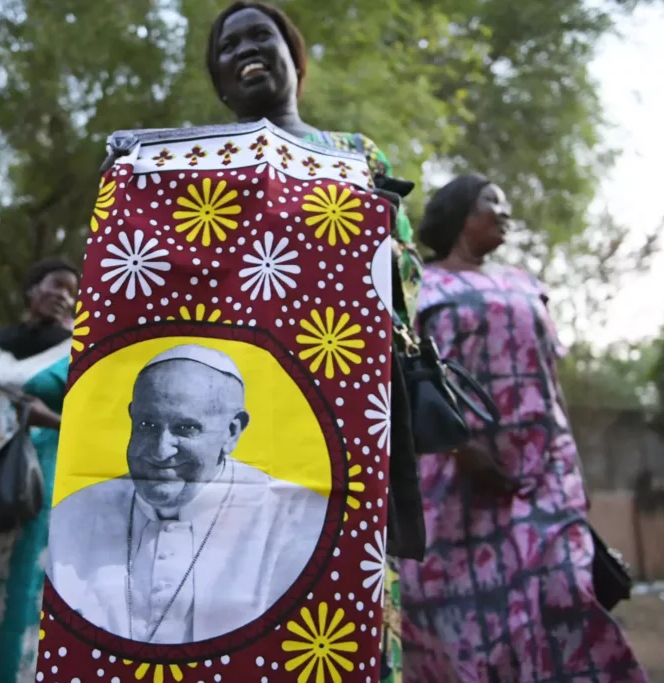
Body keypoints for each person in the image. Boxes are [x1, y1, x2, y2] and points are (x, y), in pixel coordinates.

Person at [205, 3, 421, 678]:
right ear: (218, 81)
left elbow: (405, 273)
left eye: (260, 36)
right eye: (229, 43)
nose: (246, 48)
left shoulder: (356, 155)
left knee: (350, 594)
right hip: (245, 409)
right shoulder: (195, 162)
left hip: (351, 410)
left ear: (294, 58)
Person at [398, 175, 648, 682]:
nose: (505, 211)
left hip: (542, 473)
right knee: (458, 611)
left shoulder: (526, 285)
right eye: (493, 202)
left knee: (563, 586)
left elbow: (549, 380)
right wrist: (463, 449)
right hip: (454, 484)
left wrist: (565, 462)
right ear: (459, 215)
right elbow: (411, 377)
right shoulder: (422, 287)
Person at [48, 344, 327, 644]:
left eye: (186, 428)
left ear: (232, 432)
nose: (160, 450)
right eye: (146, 425)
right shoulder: (74, 514)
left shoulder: (297, 523)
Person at [0, 258, 78, 683]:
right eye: (55, 285)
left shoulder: (76, 348)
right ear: (31, 290)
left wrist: (51, 418)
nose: (63, 295)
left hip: (41, 478)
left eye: (70, 291)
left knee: (27, 584)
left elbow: (91, 422)